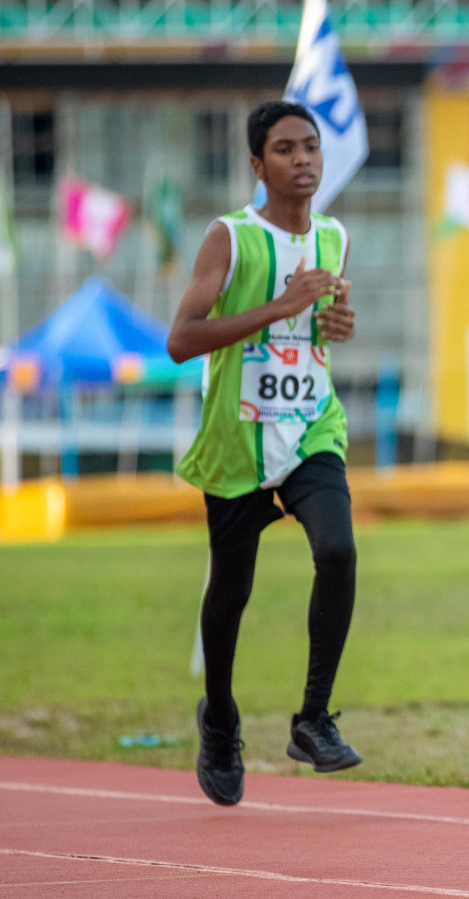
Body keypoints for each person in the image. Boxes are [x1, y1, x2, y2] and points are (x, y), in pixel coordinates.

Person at [167, 101, 363, 806]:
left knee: (338, 552)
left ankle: (313, 719)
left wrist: (335, 321)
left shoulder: (336, 236)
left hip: (311, 426)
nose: (303, 159)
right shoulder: (231, 237)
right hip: (238, 439)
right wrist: (279, 309)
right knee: (231, 592)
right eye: (285, 149)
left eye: (311, 146)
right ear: (258, 165)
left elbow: (326, 327)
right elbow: (182, 339)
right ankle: (219, 717)